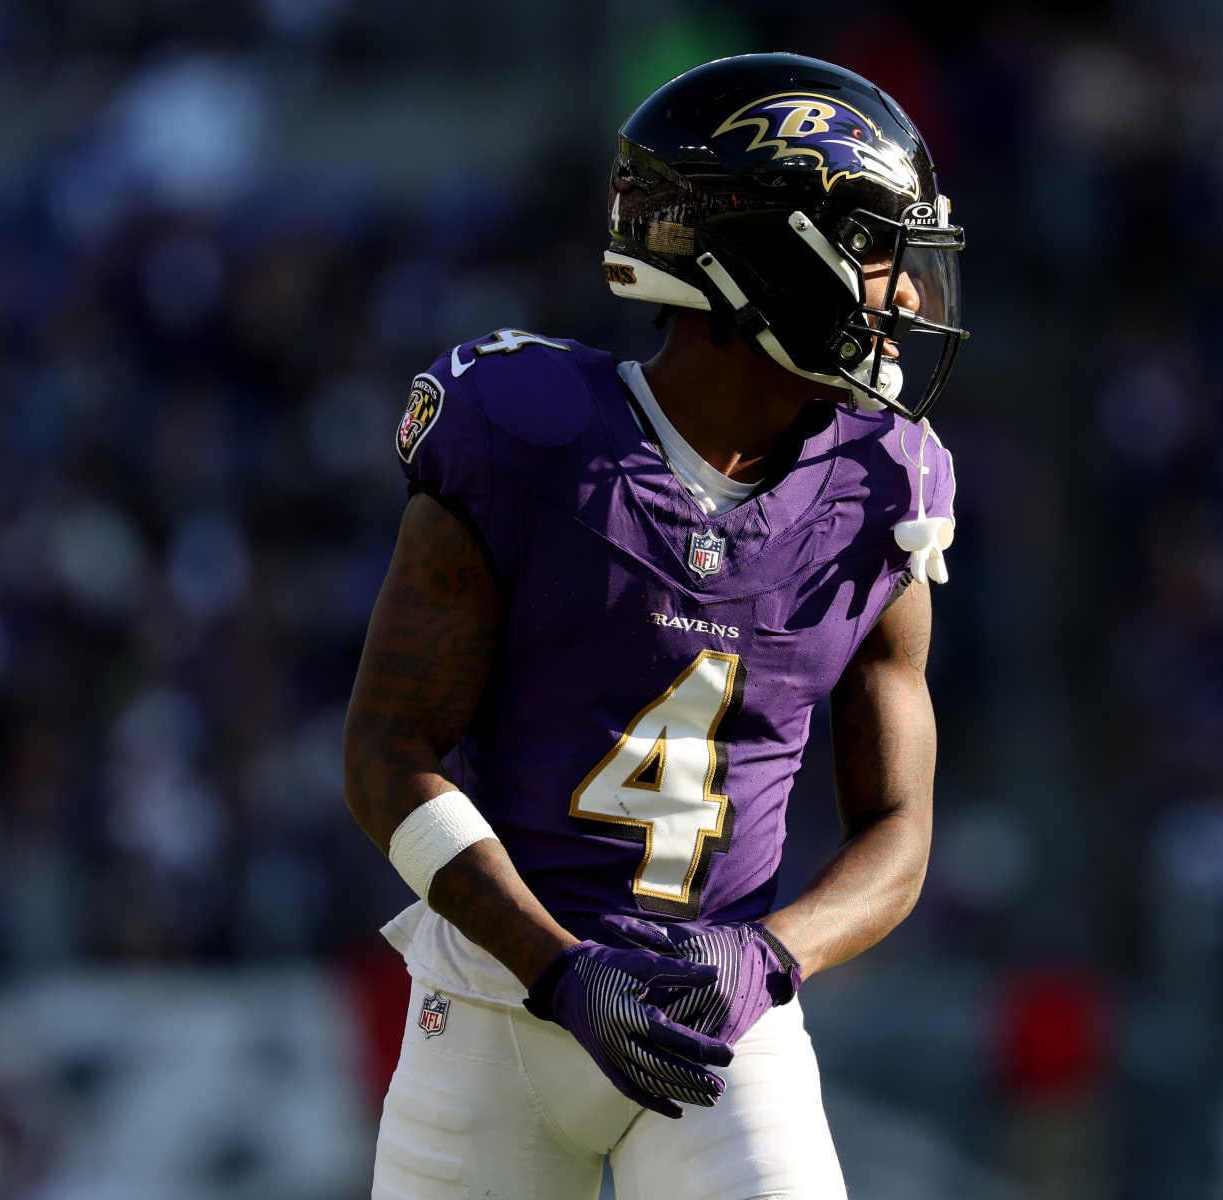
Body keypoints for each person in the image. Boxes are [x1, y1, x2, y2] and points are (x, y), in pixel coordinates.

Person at [342, 51, 968, 1200]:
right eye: (880, 253)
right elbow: (386, 754)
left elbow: (900, 831)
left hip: (720, 1022)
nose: (913, 299)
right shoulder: (528, 439)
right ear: (770, 260)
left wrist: (768, 955)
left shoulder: (887, 486)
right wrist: (557, 968)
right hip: (493, 1001)